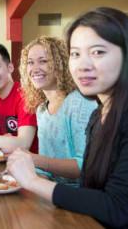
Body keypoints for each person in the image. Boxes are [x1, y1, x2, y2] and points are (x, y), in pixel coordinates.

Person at [7, 7, 128, 228]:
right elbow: (90, 189)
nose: (83, 64)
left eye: (98, 52)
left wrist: (32, 180)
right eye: (76, 54)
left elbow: (119, 208)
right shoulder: (100, 114)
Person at [19, 36, 97, 185]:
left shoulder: (79, 103)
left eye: (43, 61)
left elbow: (85, 166)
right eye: (30, 62)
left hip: (81, 197)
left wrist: (34, 159)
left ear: (60, 64)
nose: (35, 69)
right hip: (52, 191)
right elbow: (45, 171)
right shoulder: (42, 110)